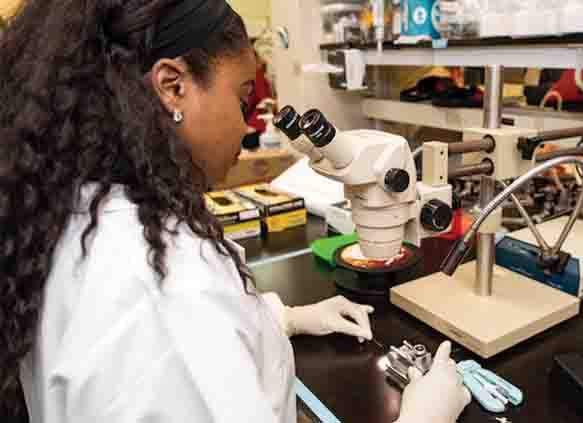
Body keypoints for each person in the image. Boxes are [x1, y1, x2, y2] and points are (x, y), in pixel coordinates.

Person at [0, 1, 470, 422]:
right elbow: (175, 338)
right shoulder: (168, 296)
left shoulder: (73, 214)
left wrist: (279, 318)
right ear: (172, 86)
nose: (247, 125)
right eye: (242, 96)